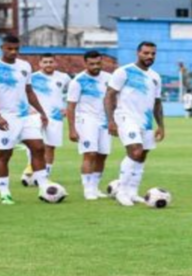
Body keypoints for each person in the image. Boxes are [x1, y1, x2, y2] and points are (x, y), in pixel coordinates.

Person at [0, 35, 55, 205]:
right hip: (5, 118)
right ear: (2, 48)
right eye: (9, 48)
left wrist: (41, 112)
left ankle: (44, 187)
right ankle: (4, 192)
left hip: (25, 117)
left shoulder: (25, 66)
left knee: (38, 148)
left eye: (16, 49)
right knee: (4, 155)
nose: (13, 52)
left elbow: (29, 91)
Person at [105, 41, 165, 207]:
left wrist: (161, 126)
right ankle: (121, 191)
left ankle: (132, 192)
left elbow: (157, 103)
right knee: (135, 151)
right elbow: (109, 95)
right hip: (125, 117)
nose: (149, 56)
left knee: (143, 154)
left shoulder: (155, 77)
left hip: (145, 121)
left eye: (153, 53)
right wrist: (110, 120)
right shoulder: (123, 72)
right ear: (138, 53)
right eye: (146, 53)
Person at [67, 50, 113, 200]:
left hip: (104, 120)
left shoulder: (109, 78)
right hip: (86, 120)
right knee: (90, 154)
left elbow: (113, 100)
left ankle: (95, 187)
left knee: (102, 155)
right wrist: (72, 129)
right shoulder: (78, 81)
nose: (95, 66)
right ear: (85, 63)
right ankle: (87, 189)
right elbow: (71, 106)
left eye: (98, 63)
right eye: (92, 64)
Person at [25, 53, 71, 182]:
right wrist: (29, 109)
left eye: (51, 62)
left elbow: (73, 94)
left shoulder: (64, 78)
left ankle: (45, 174)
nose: (48, 64)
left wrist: (66, 107)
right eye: (45, 62)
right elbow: (23, 94)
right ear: (39, 64)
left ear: (55, 63)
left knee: (50, 146)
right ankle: (30, 171)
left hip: (55, 117)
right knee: (35, 145)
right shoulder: (32, 78)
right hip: (35, 116)